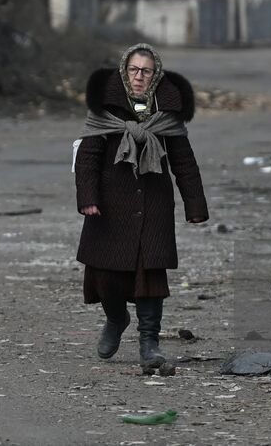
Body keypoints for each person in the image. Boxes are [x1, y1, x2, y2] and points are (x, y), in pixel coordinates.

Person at [75, 43, 208, 368]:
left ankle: (150, 344)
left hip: (154, 206)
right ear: (124, 71)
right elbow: (87, 158)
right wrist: (88, 199)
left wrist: (195, 205)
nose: (139, 76)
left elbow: (184, 162)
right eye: (134, 70)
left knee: (151, 279)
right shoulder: (105, 111)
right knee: (106, 276)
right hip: (109, 207)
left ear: (156, 74)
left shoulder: (168, 114)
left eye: (146, 71)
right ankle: (116, 320)